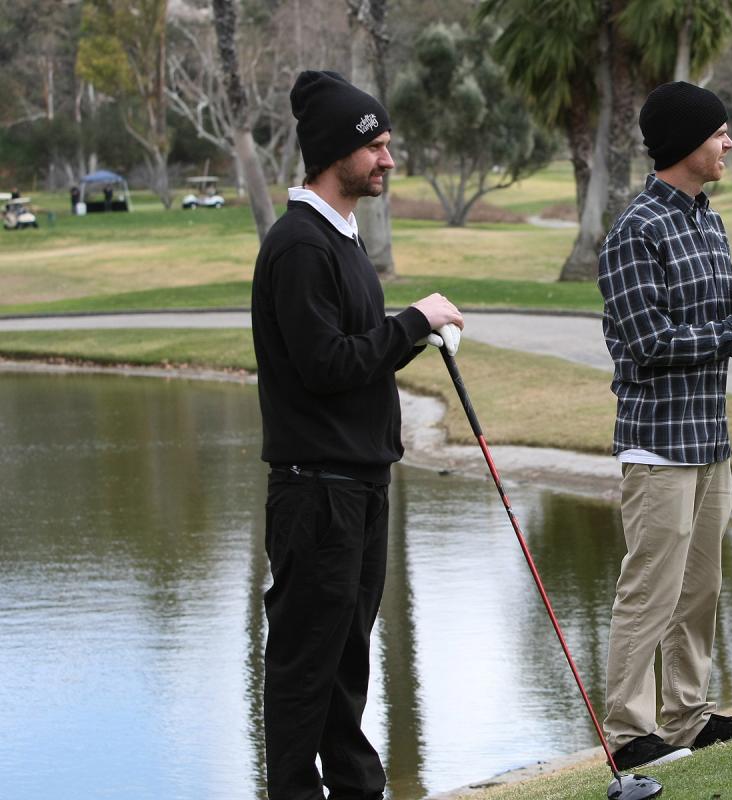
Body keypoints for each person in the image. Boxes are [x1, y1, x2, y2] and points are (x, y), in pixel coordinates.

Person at [251, 70, 463, 800]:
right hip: (319, 495)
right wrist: (414, 321)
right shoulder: (301, 246)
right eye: (376, 145)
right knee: (306, 670)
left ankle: (357, 790)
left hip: (358, 487)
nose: (387, 160)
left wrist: (409, 331)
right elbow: (325, 365)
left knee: (346, 665)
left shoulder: (338, 241)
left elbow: (357, 348)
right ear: (338, 151)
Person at [598, 81, 732, 771]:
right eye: (720, 133)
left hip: (710, 438)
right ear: (686, 143)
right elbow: (648, 342)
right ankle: (628, 733)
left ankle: (685, 717)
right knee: (650, 590)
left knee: (701, 587)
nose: (729, 143)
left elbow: (707, 306)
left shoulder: (706, 218)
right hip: (659, 446)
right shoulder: (634, 231)